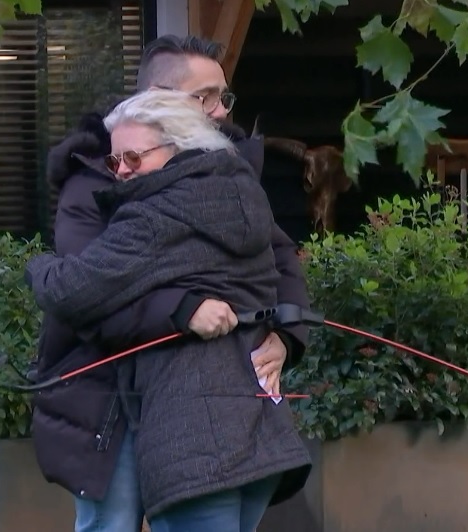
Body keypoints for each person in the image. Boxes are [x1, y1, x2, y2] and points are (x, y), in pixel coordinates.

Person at [30, 34, 312, 532]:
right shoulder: (98, 183)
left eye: (224, 96)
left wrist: (286, 334)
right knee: (112, 524)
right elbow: (89, 297)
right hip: (107, 398)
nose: (221, 111)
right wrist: (180, 309)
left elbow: (278, 258)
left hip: (195, 402)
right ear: (159, 100)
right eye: (206, 97)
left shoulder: (222, 177)